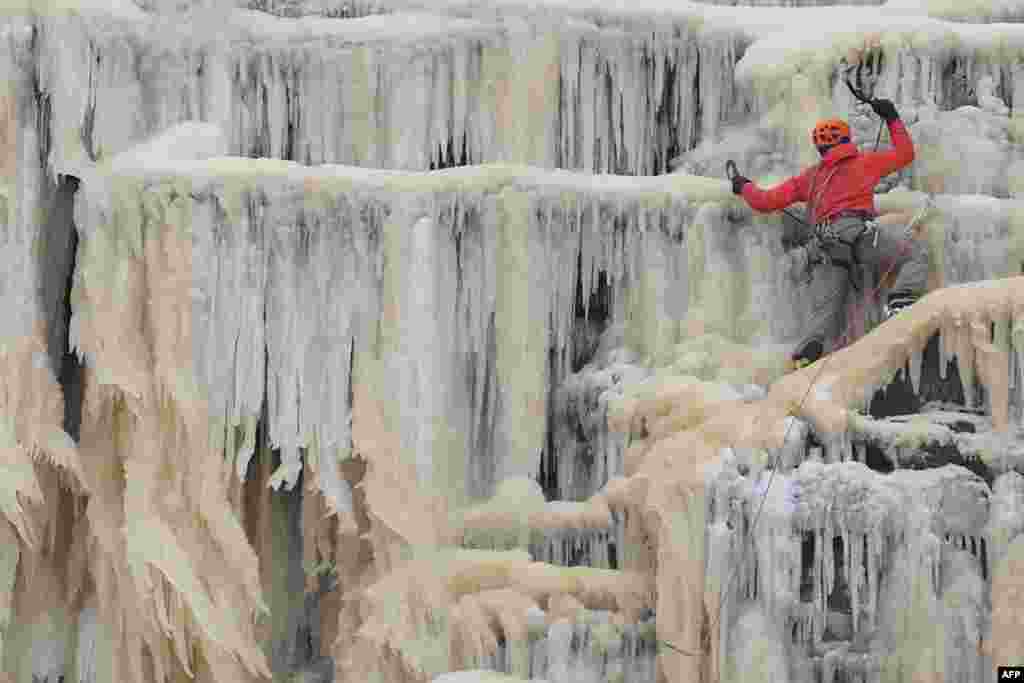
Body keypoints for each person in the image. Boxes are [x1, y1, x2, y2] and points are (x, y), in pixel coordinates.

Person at [730, 98, 929, 367]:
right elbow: (905, 154)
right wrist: (891, 117)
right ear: (846, 139)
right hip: (857, 235)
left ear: (820, 147)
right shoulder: (865, 163)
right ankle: (900, 301)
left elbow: (765, 202)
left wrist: (744, 186)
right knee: (913, 254)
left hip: (825, 245)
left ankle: (806, 356)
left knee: (827, 313)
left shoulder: (809, 178)